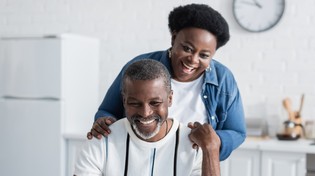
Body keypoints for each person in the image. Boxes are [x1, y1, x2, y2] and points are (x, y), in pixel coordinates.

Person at [55, 59, 224, 176]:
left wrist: (211, 149)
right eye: (134, 103)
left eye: (155, 103)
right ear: (124, 100)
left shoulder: (190, 143)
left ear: (170, 98)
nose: (145, 113)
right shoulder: (103, 139)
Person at [87, 3, 246, 161]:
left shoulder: (223, 79)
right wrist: (105, 123)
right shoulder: (140, 67)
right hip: (137, 161)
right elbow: (107, 111)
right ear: (174, 38)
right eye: (187, 49)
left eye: (204, 55)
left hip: (195, 169)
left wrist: (213, 139)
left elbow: (237, 132)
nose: (193, 60)